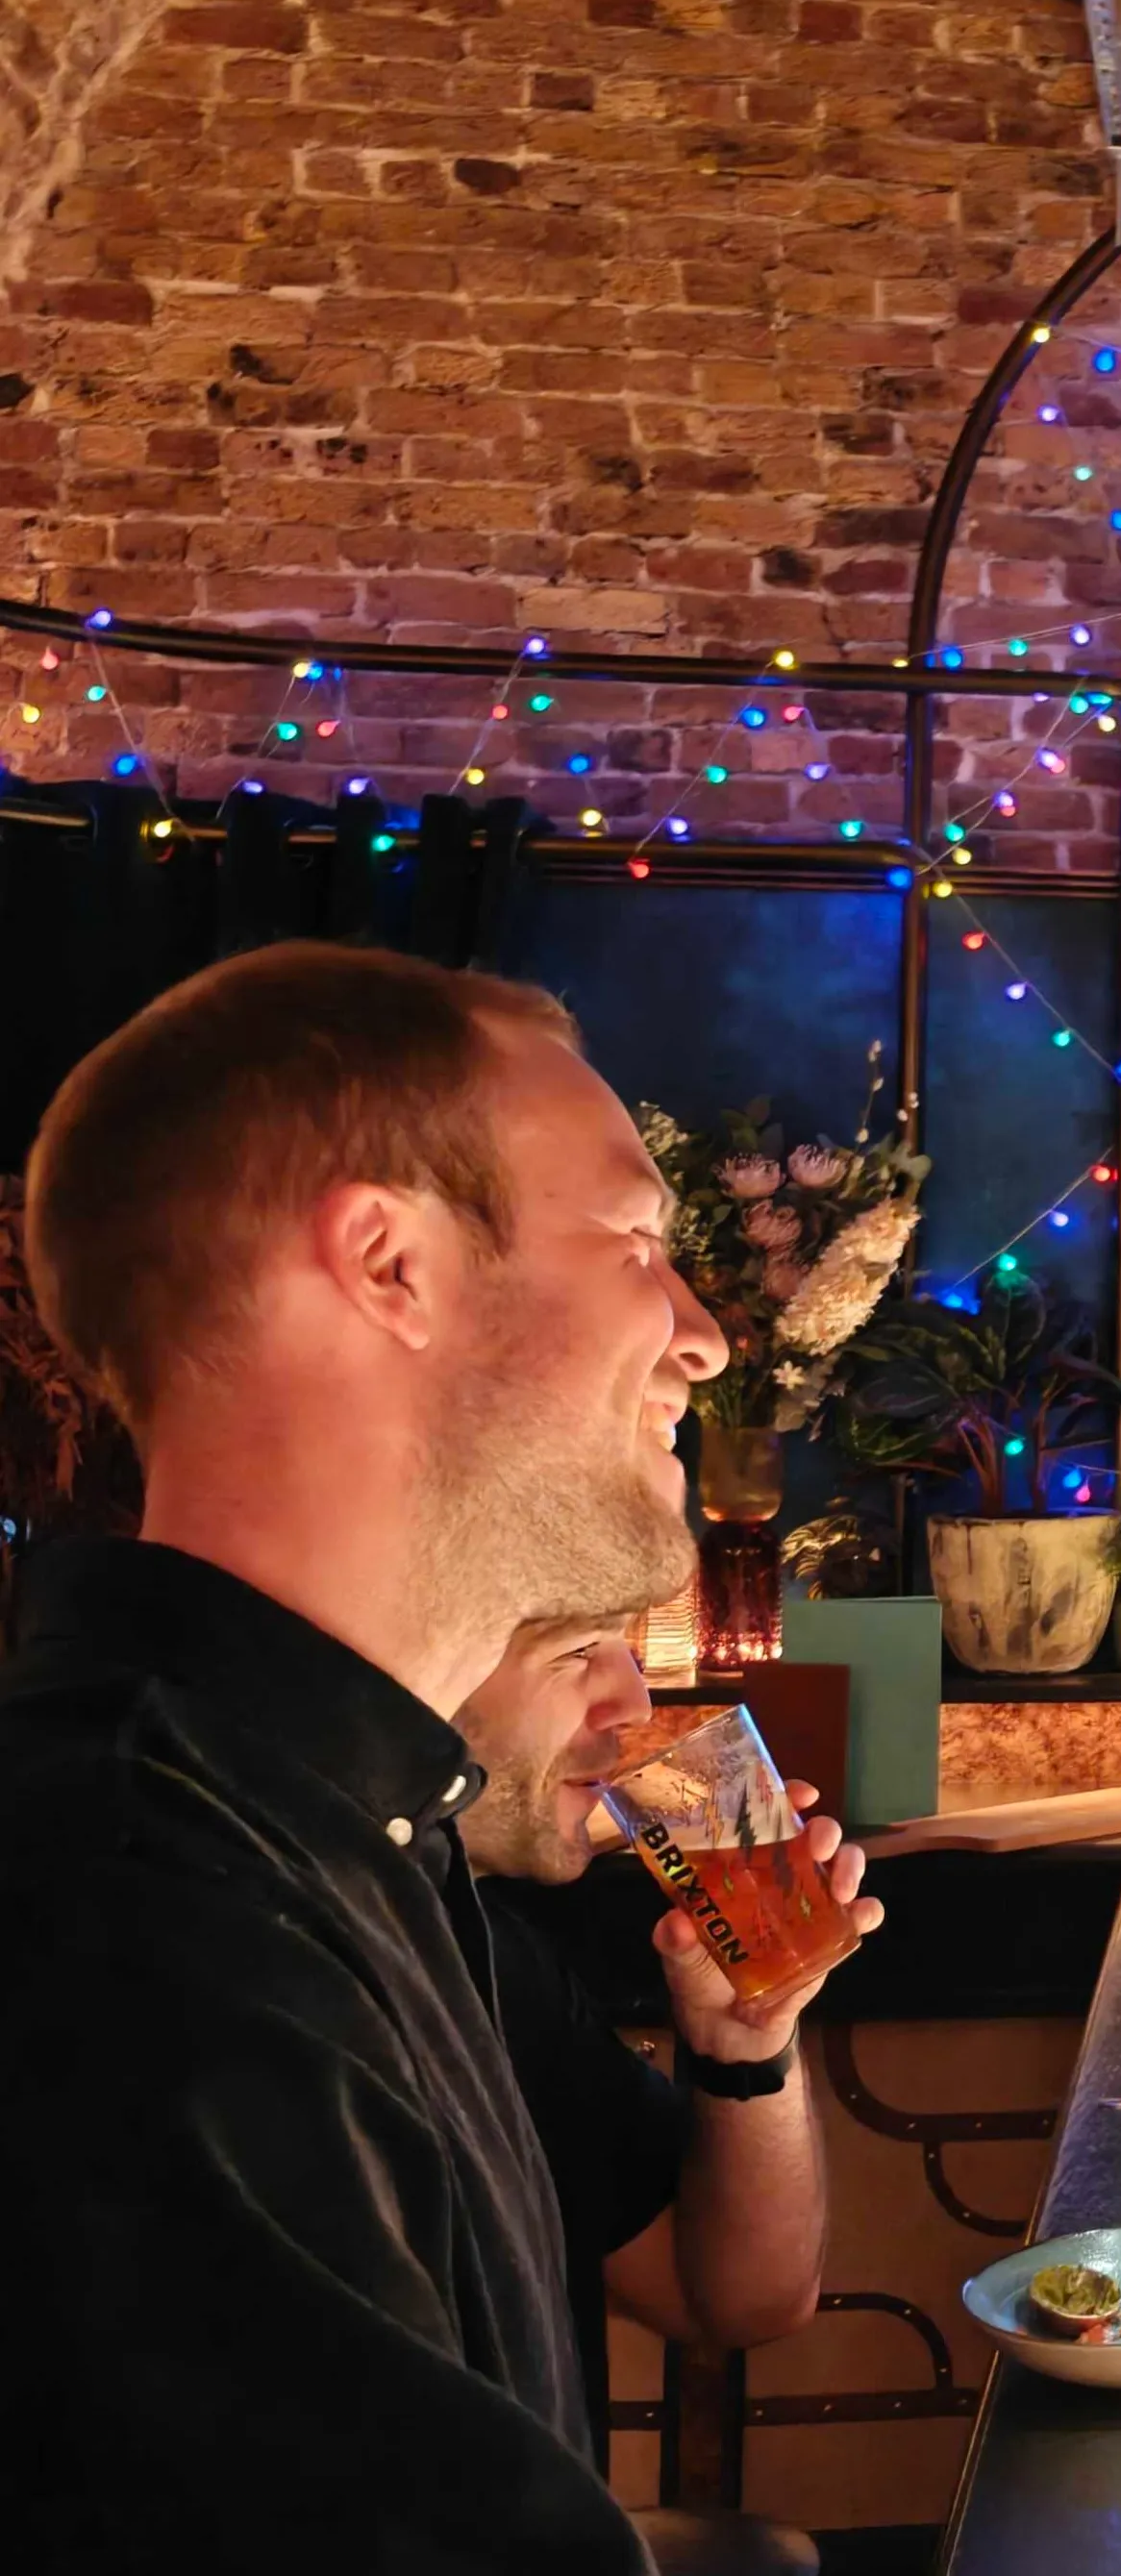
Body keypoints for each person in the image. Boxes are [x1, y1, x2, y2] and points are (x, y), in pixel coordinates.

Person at [0, 941, 726, 2572]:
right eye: (637, 1240)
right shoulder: (139, 1925)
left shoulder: (350, 1826)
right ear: (391, 1263)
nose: (703, 1337)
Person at [455, 1615, 884, 2569]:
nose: (636, 1704)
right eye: (575, 1647)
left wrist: (747, 2047)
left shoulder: (493, 1958)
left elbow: (740, 2300)